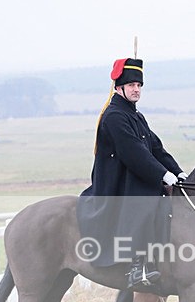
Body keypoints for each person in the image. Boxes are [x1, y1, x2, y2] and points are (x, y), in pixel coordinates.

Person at [79, 57, 187, 288]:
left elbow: (156, 148)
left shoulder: (136, 116)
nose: (136, 89)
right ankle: (137, 266)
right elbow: (134, 154)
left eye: (139, 86)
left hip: (134, 173)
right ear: (119, 88)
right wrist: (162, 175)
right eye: (131, 86)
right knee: (145, 200)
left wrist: (178, 172)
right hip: (117, 178)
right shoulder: (115, 116)